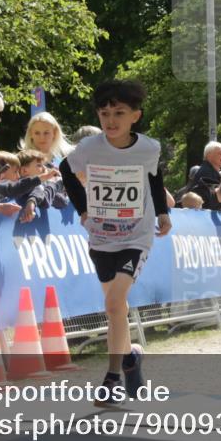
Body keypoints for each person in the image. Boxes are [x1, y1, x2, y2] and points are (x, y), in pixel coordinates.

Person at [59, 79, 171, 407]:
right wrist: (82, 209)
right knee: (116, 309)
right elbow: (66, 172)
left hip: (136, 236)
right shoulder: (90, 148)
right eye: (104, 113)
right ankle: (130, 358)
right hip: (101, 236)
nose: (111, 120)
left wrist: (162, 212)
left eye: (119, 113)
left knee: (113, 303)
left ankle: (111, 379)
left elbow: (154, 176)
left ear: (135, 116)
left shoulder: (149, 147)